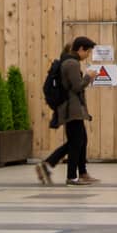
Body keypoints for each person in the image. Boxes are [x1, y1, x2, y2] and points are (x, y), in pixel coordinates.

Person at [36, 36, 98, 186]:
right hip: (71, 109)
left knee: (80, 140)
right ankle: (69, 175)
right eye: (88, 52)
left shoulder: (69, 61)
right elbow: (77, 87)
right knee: (75, 142)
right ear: (81, 49)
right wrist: (89, 77)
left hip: (73, 108)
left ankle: (81, 173)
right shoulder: (72, 63)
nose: (88, 55)